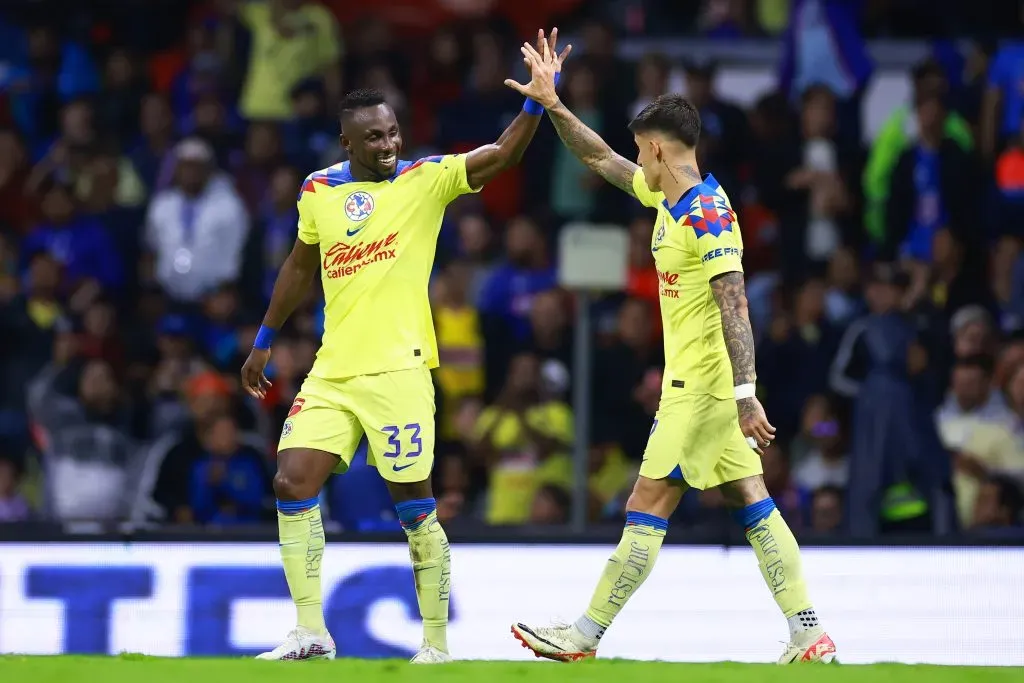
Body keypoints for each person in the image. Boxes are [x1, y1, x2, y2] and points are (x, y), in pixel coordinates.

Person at [240, 29, 571, 664]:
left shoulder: (427, 179)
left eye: (392, 132)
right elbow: (299, 268)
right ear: (346, 143)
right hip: (333, 370)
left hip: (401, 370)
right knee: (290, 480)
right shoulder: (318, 190)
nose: (389, 145)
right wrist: (263, 341)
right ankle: (311, 631)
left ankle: (436, 644)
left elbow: (500, 156)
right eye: (373, 137)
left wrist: (537, 103)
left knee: (415, 507)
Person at [503, 40, 835, 665]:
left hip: (702, 391)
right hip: (704, 386)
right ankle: (808, 633)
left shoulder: (707, 217)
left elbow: (736, 304)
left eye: (639, 149)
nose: (634, 159)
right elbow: (599, 157)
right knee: (753, 501)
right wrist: (552, 103)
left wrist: (743, 395)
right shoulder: (669, 197)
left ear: (656, 147)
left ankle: (585, 634)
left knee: (646, 503)